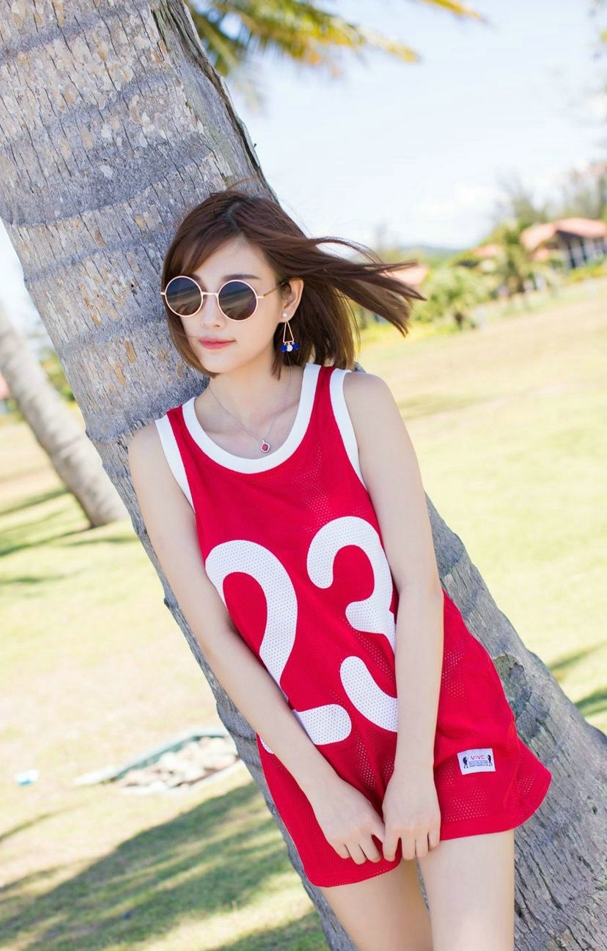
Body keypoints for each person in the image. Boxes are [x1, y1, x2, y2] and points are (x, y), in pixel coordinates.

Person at [127, 187, 552, 951]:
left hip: (439, 724)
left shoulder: (356, 402)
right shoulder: (161, 455)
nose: (208, 317)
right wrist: (322, 789)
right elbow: (219, 639)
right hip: (316, 759)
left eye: (235, 295)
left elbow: (418, 589)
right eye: (188, 294)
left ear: (288, 299)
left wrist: (415, 770)